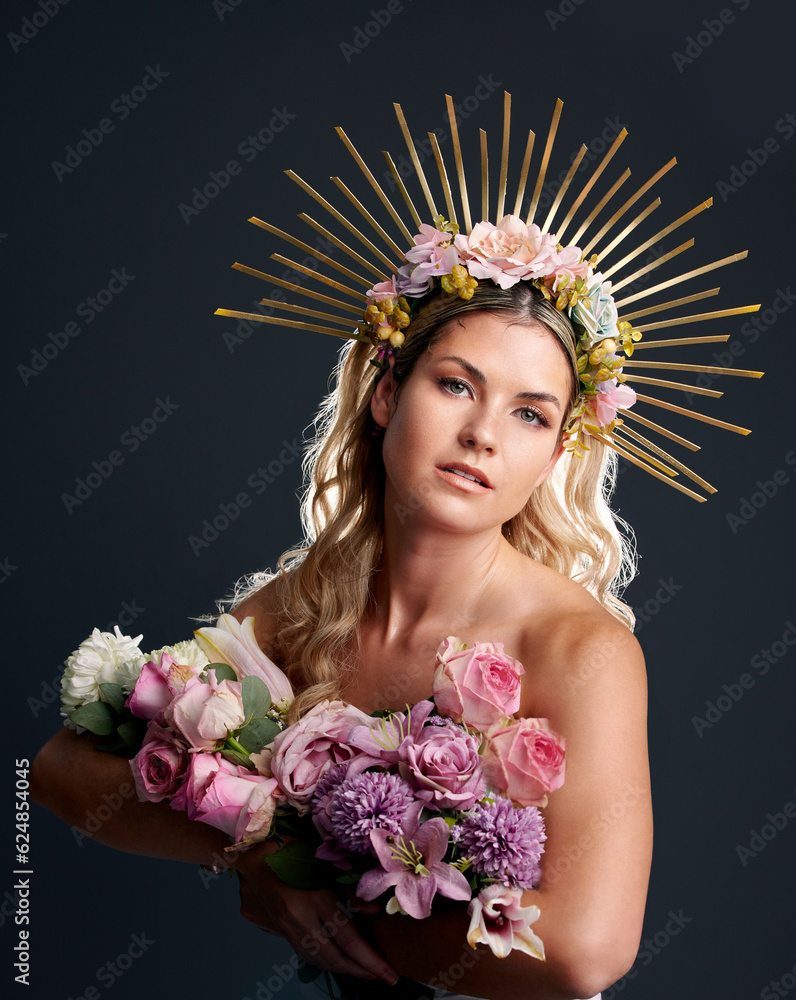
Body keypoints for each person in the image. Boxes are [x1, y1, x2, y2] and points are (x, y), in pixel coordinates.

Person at [32, 276, 652, 1000]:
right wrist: (258, 854)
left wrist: (325, 902)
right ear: (386, 395)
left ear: (552, 457)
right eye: (456, 386)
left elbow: (586, 950)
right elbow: (59, 770)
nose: (483, 433)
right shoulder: (305, 605)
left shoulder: (580, 649)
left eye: (529, 414)